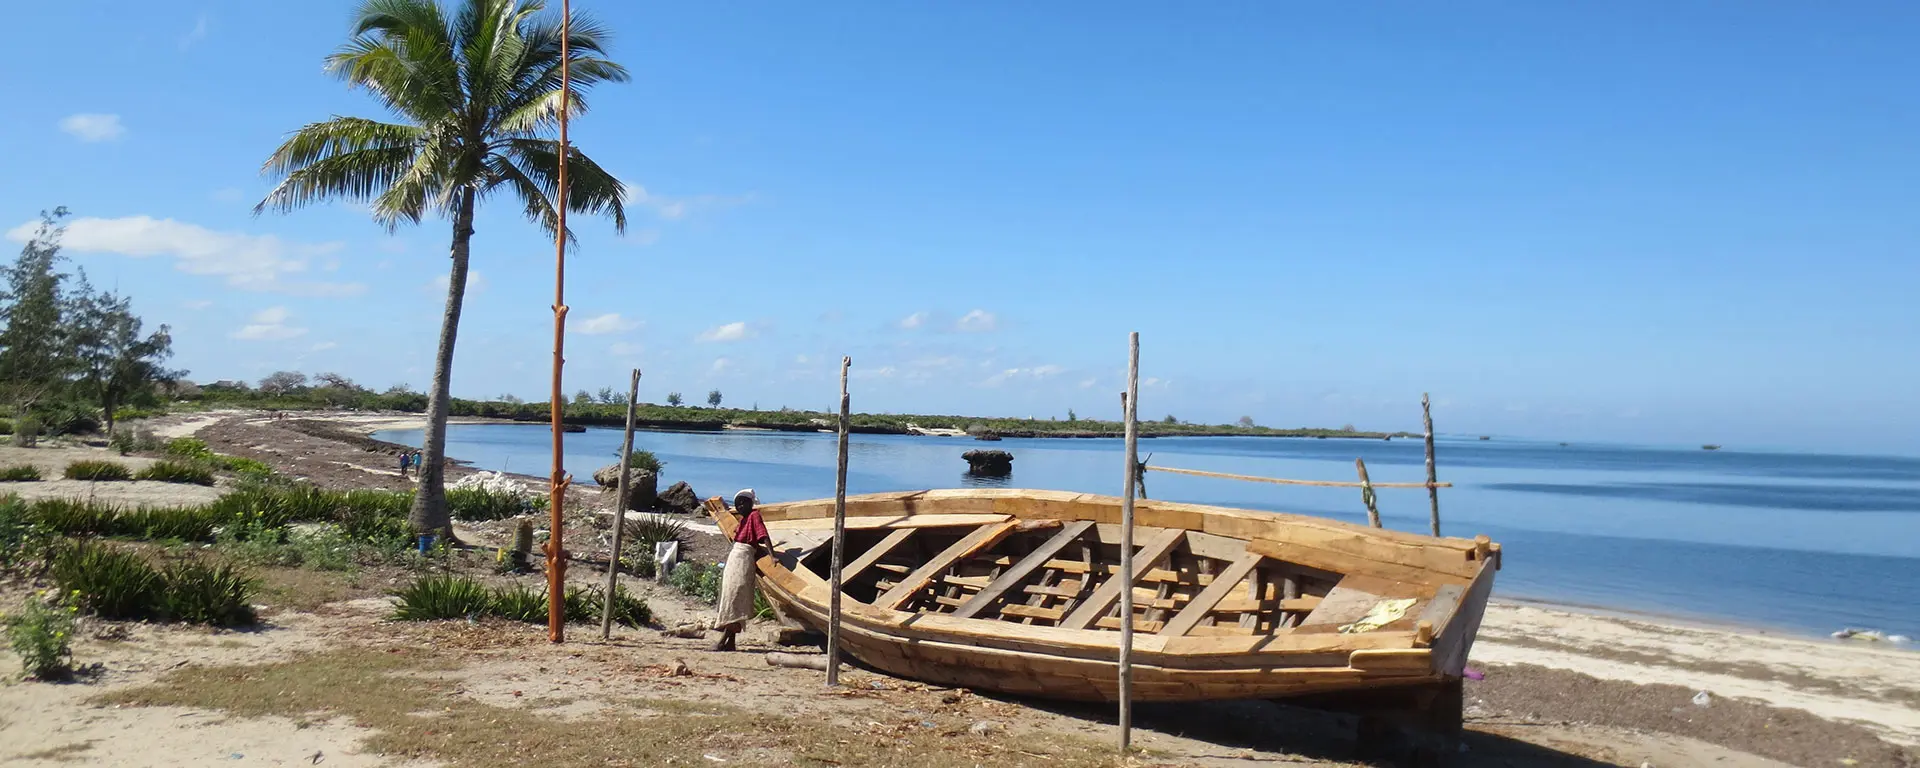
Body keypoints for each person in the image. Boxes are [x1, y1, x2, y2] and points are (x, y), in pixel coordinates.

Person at [713, 488, 771, 651]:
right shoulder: (744, 520)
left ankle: (724, 640)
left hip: (743, 559)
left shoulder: (754, 516)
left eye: (743, 503)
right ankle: (730, 642)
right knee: (731, 595)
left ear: (750, 503)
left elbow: (763, 535)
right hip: (736, 558)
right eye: (737, 503)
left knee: (735, 596)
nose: (739, 506)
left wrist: (772, 556)